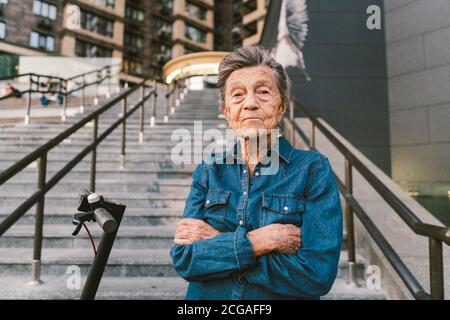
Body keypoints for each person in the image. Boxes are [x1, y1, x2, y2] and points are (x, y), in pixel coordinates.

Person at [170, 45, 343, 300]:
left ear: (281, 106)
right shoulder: (209, 171)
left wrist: (220, 246)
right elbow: (186, 260)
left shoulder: (313, 170)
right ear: (227, 111)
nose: (250, 103)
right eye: (238, 95)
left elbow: (316, 275)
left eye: (263, 92)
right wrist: (262, 241)